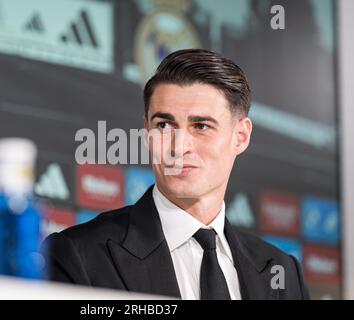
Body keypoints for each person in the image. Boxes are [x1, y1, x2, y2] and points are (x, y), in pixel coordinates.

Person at [42, 49, 309, 300]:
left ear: (240, 136)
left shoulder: (284, 272)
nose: (178, 147)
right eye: (164, 125)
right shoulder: (76, 255)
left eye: (201, 126)